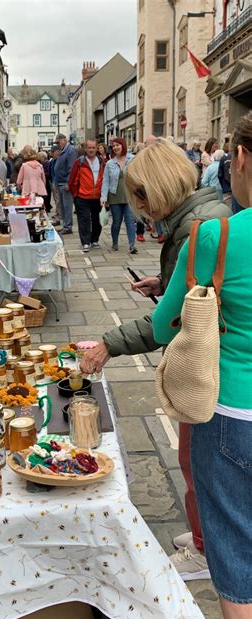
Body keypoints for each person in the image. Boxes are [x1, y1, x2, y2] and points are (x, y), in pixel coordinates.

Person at [80, 139, 231, 581]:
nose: (140, 208)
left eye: (140, 197)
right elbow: (195, 288)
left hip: (205, 359)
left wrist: (109, 343)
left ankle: (205, 549)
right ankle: (202, 533)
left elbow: (171, 322)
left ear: (158, 189)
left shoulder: (195, 228)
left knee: (196, 458)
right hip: (212, 353)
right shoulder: (203, 215)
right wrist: (163, 283)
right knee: (194, 457)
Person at [151, 111, 252, 619]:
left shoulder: (219, 235)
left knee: (235, 544)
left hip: (232, 411)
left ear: (239, 157)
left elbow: (168, 326)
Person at [100, 136, 137, 254]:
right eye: (114, 146)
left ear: (123, 145)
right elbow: (105, 181)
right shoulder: (110, 163)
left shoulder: (133, 159)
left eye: (118, 145)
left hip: (129, 196)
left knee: (130, 221)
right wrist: (104, 198)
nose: (115, 147)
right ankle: (115, 243)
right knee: (116, 222)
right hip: (115, 196)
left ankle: (132, 245)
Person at [67, 139, 105, 252]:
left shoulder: (102, 161)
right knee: (84, 220)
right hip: (82, 196)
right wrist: (75, 195)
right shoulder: (79, 162)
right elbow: (72, 179)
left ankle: (94, 240)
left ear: (96, 148)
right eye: (89, 148)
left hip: (97, 197)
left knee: (97, 220)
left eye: (93, 148)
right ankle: (85, 242)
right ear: (85, 149)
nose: (91, 150)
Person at [54, 133, 78, 234]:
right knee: (63, 206)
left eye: (58, 142)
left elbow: (72, 168)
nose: (57, 145)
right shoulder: (63, 151)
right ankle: (65, 225)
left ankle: (68, 226)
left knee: (67, 206)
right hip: (60, 182)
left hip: (65, 183)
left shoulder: (70, 150)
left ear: (64, 140)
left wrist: (69, 182)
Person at [49, 145, 61, 225]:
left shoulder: (59, 160)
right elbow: (51, 171)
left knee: (58, 200)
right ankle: (58, 214)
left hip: (58, 182)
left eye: (53, 152)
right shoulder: (53, 161)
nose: (52, 153)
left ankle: (59, 216)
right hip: (54, 182)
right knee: (57, 200)